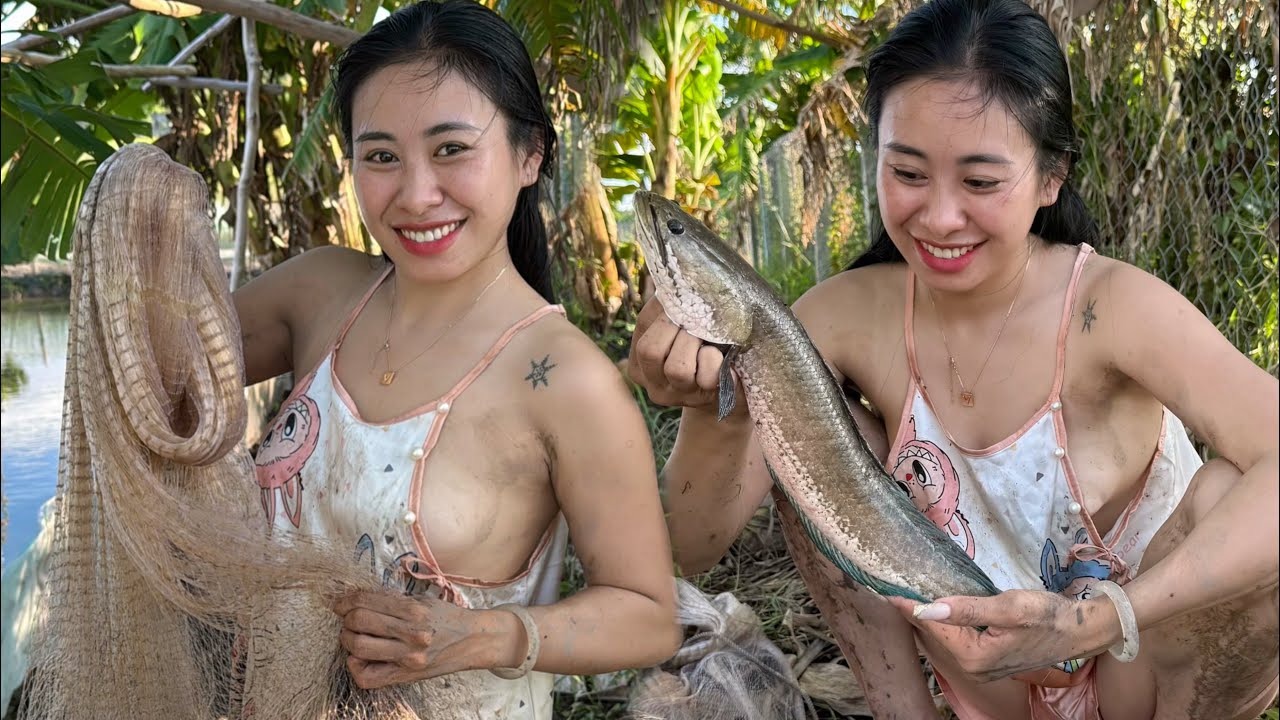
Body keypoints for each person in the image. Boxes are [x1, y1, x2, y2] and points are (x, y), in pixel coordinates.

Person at [626, 0, 1279, 717]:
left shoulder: (1112, 308)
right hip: (987, 682)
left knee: (1234, 499)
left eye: (980, 182)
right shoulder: (840, 318)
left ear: (1052, 177)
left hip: (1139, 676)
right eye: (908, 172)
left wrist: (1101, 619)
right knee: (819, 444)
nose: (939, 217)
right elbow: (689, 550)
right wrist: (715, 411)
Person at [233, 1, 679, 716]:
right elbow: (157, 374)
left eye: (451, 149)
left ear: (530, 154)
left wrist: (478, 636)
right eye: (382, 157)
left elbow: (648, 615)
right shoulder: (318, 294)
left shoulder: (566, 381)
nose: (416, 196)